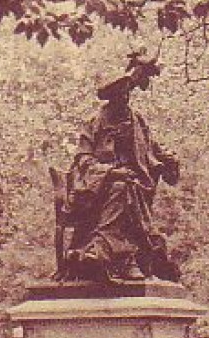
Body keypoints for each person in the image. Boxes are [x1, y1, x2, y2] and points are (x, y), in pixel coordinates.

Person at [56, 53, 181, 283]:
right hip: (97, 188)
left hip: (138, 183)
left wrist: (168, 160)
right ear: (110, 99)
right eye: (119, 96)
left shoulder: (138, 121)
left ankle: (105, 252)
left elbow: (153, 150)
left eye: (127, 94)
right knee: (121, 189)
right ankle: (117, 256)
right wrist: (111, 172)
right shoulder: (95, 123)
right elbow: (83, 159)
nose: (125, 100)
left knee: (128, 187)